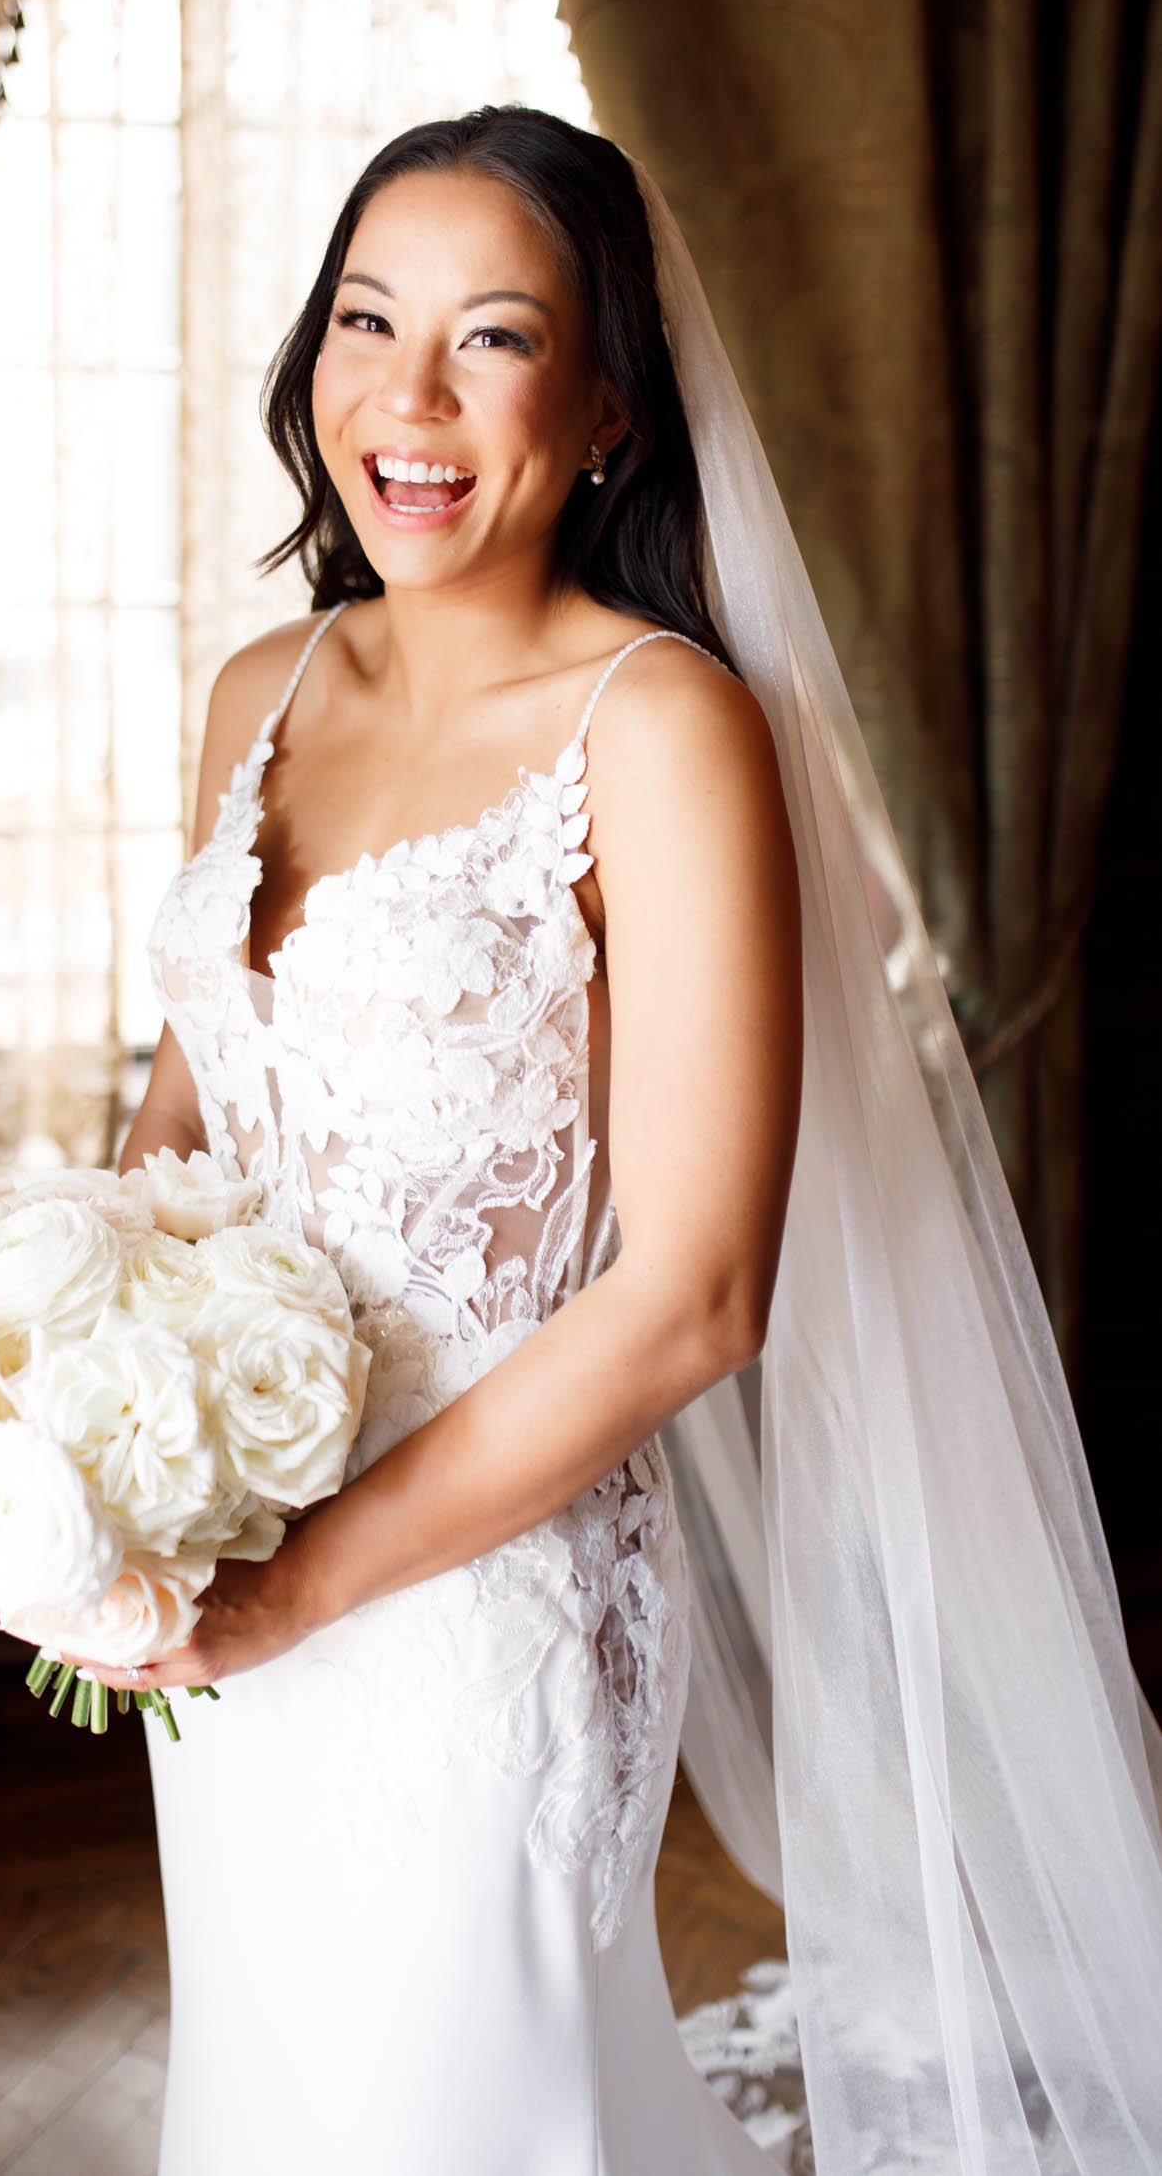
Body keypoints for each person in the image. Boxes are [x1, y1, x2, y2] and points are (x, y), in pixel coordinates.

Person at [79, 109, 1162, 2174]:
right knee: (277, 2092)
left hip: (484, 1596)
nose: (406, 396)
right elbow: (190, 1106)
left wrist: (305, 1586)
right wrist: (82, 1437)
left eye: (490, 337)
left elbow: (696, 1292)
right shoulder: (258, 690)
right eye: (366, 318)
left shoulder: (662, 729)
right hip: (224, 1573)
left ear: (609, 410)